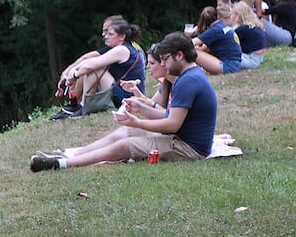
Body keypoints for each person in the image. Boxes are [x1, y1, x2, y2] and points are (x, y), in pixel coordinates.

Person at [30, 31, 218, 171]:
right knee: (126, 131)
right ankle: (72, 153)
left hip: (189, 148)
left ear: (180, 55)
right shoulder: (188, 77)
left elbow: (172, 125)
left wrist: (138, 121)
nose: (163, 65)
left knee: (124, 146)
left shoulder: (188, 80)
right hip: (181, 139)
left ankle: (62, 164)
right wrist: (140, 109)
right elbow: (170, 117)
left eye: (165, 59)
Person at [51, 16, 146, 119]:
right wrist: (74, 69)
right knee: (90, 68)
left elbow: (90, 65)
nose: (105, 36)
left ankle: (83, 107)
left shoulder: (122, 50)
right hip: (126, 92)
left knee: (95, 69)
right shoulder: (123, 48)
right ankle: (79, 106)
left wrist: (74, 75)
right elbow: (88, 61)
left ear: (122, 37)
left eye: (110, 34)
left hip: (127, 96)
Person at [192, 0, 243, 75]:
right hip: (235, 64)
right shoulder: (221, 27)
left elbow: (190, 44)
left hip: (228, 66)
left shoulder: (215, 30)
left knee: (190, 52)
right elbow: (205, 48)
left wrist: (186, 36)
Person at [231, 1, 266, 68]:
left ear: (239, 15)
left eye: (233, 14)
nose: (231, 16)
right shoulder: (255, 25)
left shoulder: (242, 29)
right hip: (257, 59)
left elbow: (230, 43)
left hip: (249, 59)